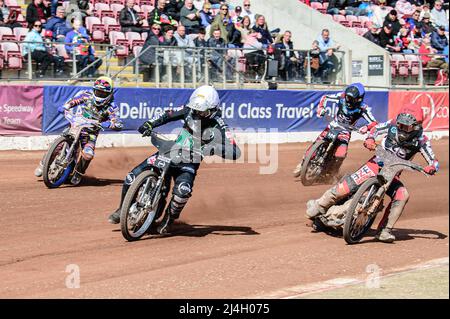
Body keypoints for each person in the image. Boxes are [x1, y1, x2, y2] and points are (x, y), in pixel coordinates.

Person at [107, 85, 241, 235]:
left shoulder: (219, 124)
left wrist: (213, 148)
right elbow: (167, 115)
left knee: (182, 192)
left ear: (213, 109)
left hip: (190, 161)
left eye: (203, 111)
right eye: (196, 109)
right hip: (170, 151)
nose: (198, 113)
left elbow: (235, 151)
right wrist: (150, 123)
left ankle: (168, 220)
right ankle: (122, 208)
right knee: (131, 177)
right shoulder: (189, 109)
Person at [306, 105, 439, 243]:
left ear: (416, 127)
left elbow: (433, 160)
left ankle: (384, 231)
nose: (401, 128)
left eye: (406, 126)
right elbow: (376, 129)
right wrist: (370, 138)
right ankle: (318, 206)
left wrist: (432, 167)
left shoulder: (422, 140)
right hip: (376, 164)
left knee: (403, 194)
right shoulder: (392, 124)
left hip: (392, 174)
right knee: (344, 188)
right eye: (400, 124)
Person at [34, 77, 123, 184]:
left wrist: (110, 124)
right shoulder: (86, 94)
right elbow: (75, 100)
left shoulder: (112, 107)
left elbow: (118, 122)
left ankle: (78, 173)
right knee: (58, 145)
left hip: (91, 132)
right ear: (94, 90)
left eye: (103, 93)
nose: (100, 94)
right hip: (77, 123)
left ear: (110, 93)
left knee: (88, 154)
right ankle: (43, 164)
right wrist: (66, 106)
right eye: (98, 91)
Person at [293, 83, 378, 177]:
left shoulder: (363, 108)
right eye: (347, 97)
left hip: (345, 132)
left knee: (341, 154)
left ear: (359, 99)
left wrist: (366, 127)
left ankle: (333, 171)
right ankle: (303, 163)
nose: (348, 100)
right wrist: (321, 108)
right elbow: (325, 97)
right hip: (333, 125)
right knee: (317, 142)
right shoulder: (341, 97)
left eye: (351, 99)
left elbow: (374, 122)